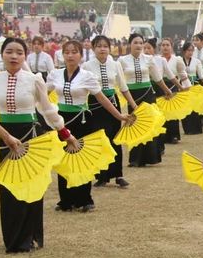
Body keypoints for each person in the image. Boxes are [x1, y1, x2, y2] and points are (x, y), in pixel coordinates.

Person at [0, 37, 81, 253]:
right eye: (9, 52)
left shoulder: (34, 80)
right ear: (2, 55)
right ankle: (12, 239)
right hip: (6, 138)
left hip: (30, 138)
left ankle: (28, 237)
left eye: (19, 53)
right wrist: (6, 137)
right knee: (10, 189)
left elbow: (48, 111)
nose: (14, 56)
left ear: (25, 56)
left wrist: (65, 133)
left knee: (30, 188)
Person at [48, 40, 129, 212]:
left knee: (81, 160)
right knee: (64, 160)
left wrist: (119, 115)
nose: (70, 55)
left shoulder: (87, 76)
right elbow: (42, 95)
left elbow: (102, 99)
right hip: (62, 121)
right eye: (67, 52)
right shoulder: (54, 74)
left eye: (74, 52)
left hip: (82, 120)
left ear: (80, 55)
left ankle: (85, 199)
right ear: (62, 55)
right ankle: (66, 200)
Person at [83, 35, 137, 188]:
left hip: (113, 103)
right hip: (95, 106)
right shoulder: (87, 66)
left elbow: (123, 87)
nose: (102, 49)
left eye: (105, 46)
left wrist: (134, 106)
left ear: (109, 48)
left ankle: (118, 175)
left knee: (115, 138)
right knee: (101, 140)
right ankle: (102, 176)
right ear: (93, 48)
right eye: (99, 46)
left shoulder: (115, 64)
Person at [118, 33, 173, 168]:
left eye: (141, 43)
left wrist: (167, 90)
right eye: (135, 43)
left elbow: (157, 78)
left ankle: (151, 157)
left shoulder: (149, 59)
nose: (138, 45)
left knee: (148, 125)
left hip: (148, 94)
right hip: (132, 96)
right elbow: (120, 82)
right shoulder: (122, 60)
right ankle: (135, 158)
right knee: (135, 125)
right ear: (130, 44)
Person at [180, 42, 203, 135]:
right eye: (188, 50)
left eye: (191, 50)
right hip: (182, 87)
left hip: (193, 86)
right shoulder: (179, 60)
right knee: (185, 108)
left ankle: (196, 129)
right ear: (184, 51)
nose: (190, 52)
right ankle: (187, 129)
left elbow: (202, 75)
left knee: (195, 107)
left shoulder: (196, 61)